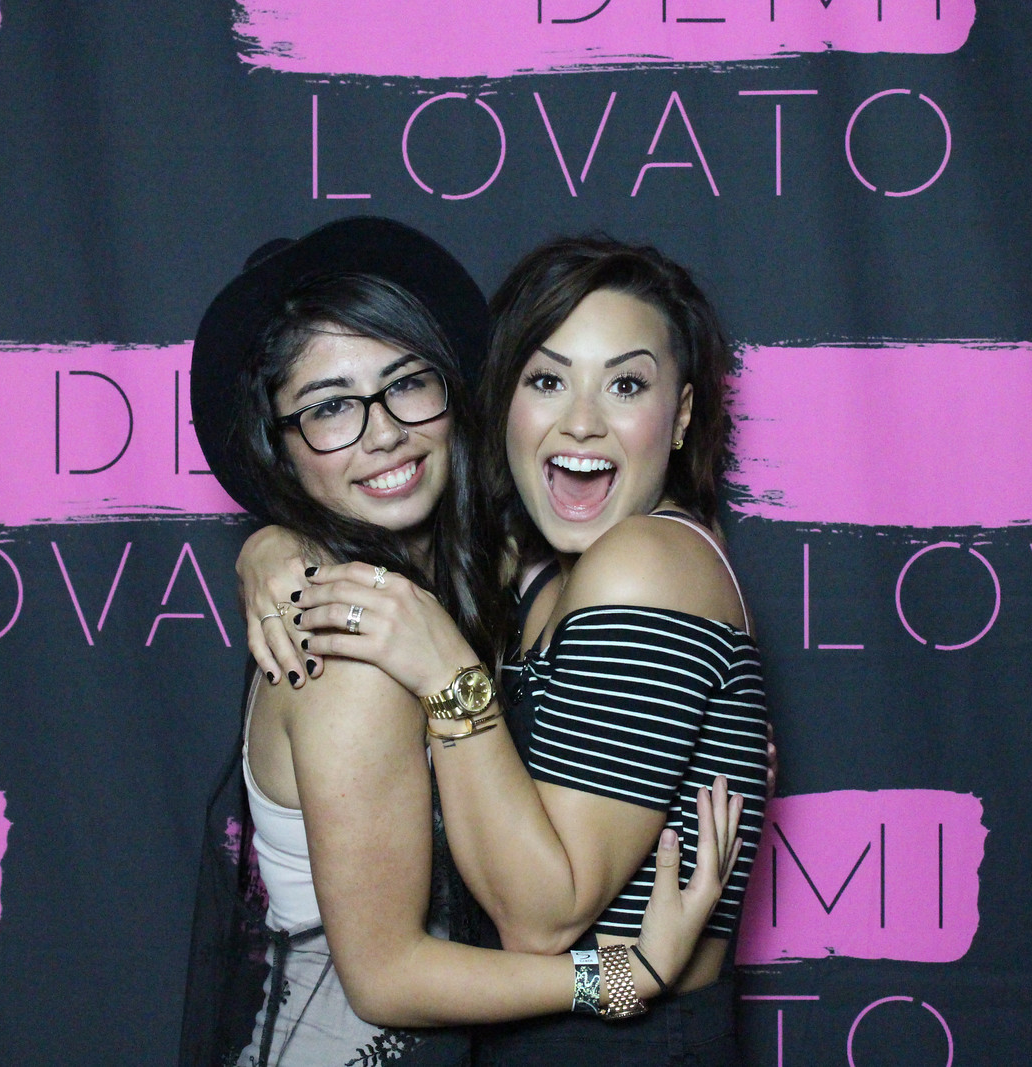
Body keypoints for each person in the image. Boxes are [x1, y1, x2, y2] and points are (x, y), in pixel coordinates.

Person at [179, 218, 744, 1067]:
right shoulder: (353, 648)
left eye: (407, 385)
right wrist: (624, 976)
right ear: (281, 449)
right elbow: (387, 976)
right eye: (330, 407)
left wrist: (278, 545)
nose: (382, 432)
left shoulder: (474, 588)